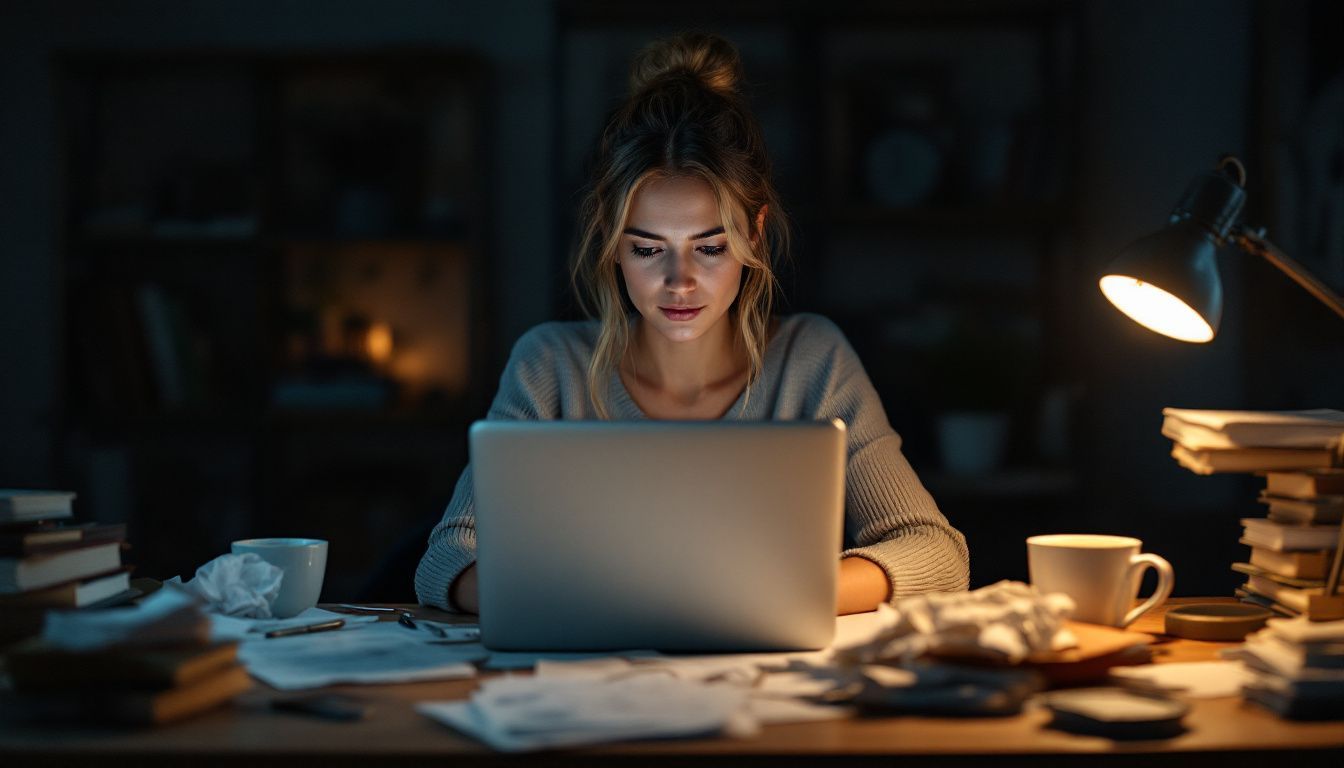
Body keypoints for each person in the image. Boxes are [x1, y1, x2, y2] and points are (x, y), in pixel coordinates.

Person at [415, 31, 968, 615]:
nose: (680, 282)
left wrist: (762, 596)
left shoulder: (812, 359)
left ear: (753, 234)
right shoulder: (549, 366)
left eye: (710, 247)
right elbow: (447, 559)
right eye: (649, 250)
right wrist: (604, 601)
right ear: (612, 243)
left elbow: (935, 552)